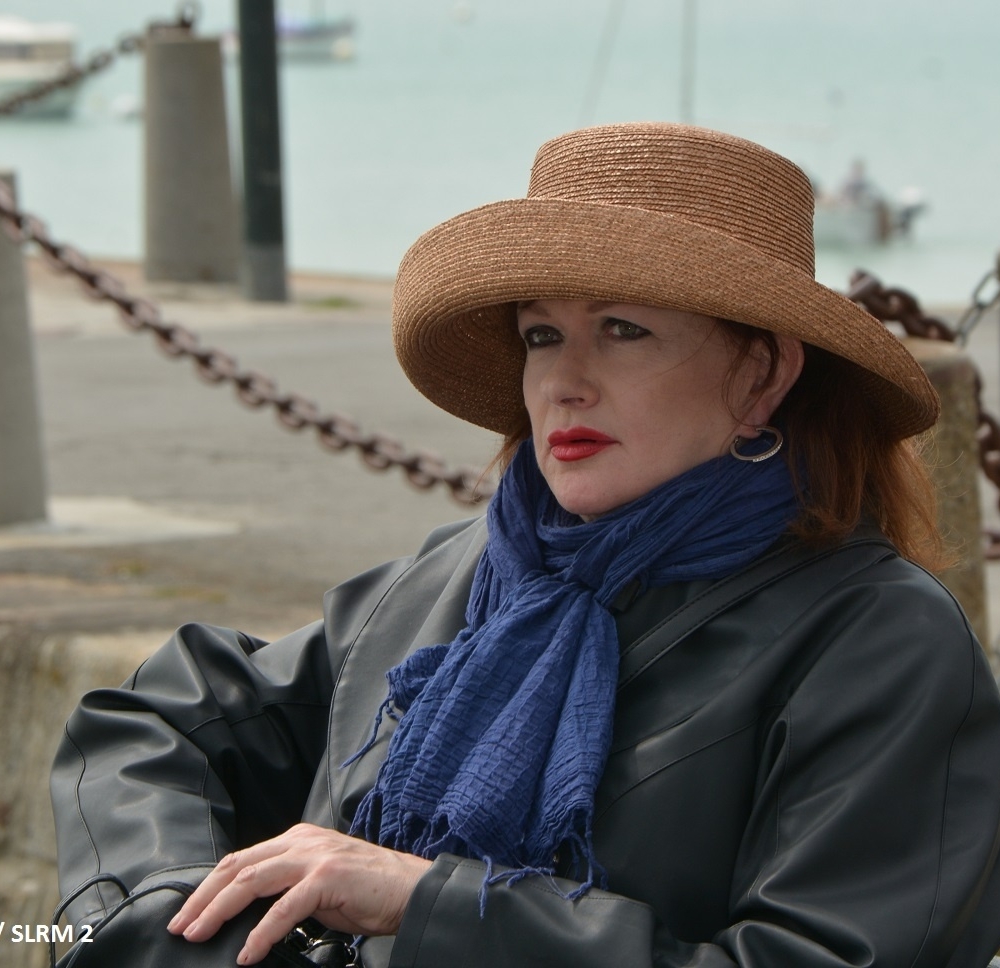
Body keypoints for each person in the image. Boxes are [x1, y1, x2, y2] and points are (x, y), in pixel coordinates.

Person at [50, 122, 1000, 968]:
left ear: (763, 375)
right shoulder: (462, 575)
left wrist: (427, 904)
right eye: (542, 335)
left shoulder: (880, 644)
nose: (563, 382)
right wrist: (163, 921)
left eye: (622, 330)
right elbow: (159, 720)